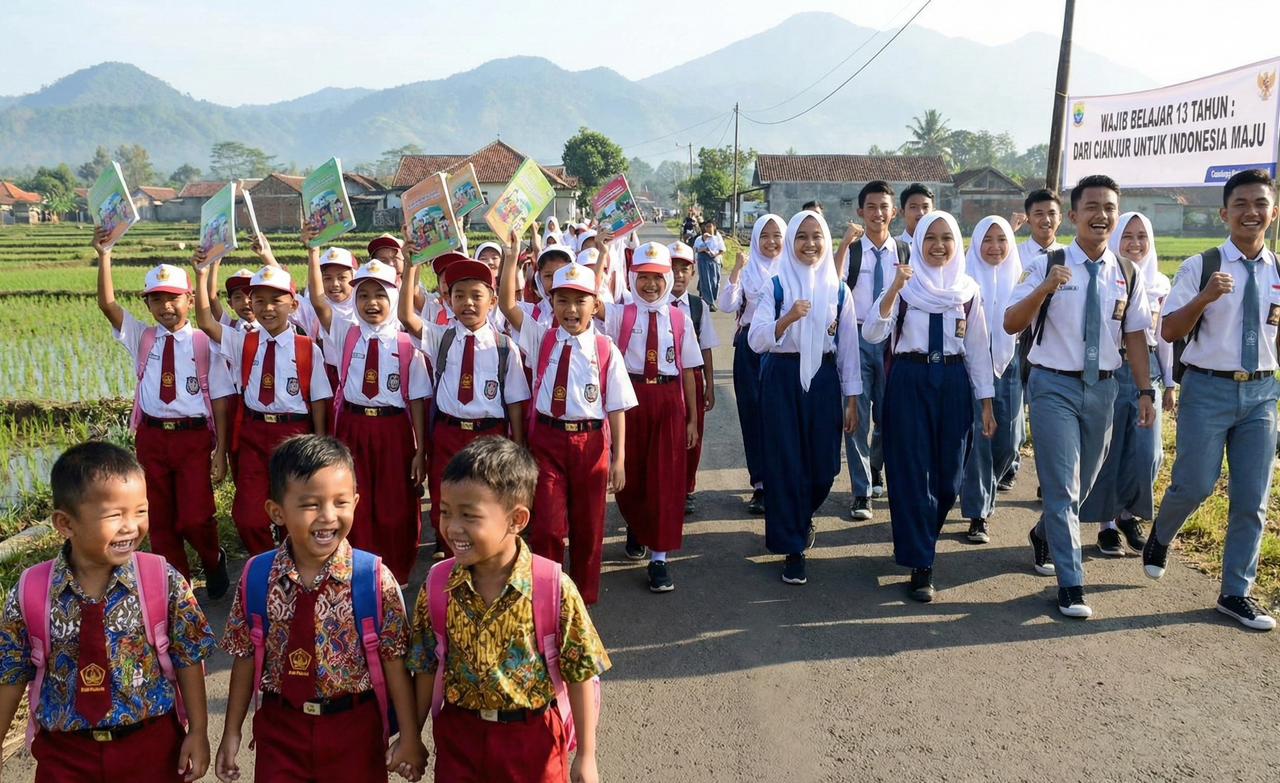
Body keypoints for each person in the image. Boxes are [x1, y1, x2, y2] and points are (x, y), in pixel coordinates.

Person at [0, 442, 216, 782]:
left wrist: (199, 731)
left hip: (151, 748)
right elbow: (10, 674)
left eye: (140, 511)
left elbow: (188, 655)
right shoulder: (31, 591)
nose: (131, 526)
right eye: (114, 515)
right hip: (66, 754)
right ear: (65, 523)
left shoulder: (162, 580)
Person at [216, 435, 425, 782]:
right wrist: (231, 732)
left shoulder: (373, 579)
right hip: (281, 728)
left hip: (354, 731)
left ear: (356, 502)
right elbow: (245, 656)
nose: (328, 517)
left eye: (341, 502)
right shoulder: (257, 577)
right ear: (276, 511)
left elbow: (395, 665)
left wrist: (411, 736)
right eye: (311, 505)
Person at [407, 437, 609, 783]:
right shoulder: (438, 584)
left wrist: (586, 756)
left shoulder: (552, 586)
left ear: (516, 519)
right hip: (459, 739)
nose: (453, 528)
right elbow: (426, 663)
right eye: (444, 512)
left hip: (533, 742)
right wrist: (412, 737)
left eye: (469, 516)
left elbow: (581, 672)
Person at [1003, 174, 1155, 619]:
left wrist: (1145, 390)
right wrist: (1045, 287)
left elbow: (1137, 336)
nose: (1101, 215)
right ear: (1073, 215)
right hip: (1053, 386)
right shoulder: (1048, 263)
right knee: (1064, 486)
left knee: (1083, 485)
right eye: (1091, 207)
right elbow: (1012, 322)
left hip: (1105, 387)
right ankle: (1071, 583)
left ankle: (1044, 532)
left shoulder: (1126, 272)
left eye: (1109, 207)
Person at [1144, 169, 1280, 632]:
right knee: (1195, 483)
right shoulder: (1201, 266)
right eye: (1240, 204)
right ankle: (1162, 534)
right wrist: (1205, 296)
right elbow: (1168, 330)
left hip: (1262, 393)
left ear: (1272, 212)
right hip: (1208, 388)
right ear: (1225, 213)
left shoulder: (1279, 270)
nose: (1250, 212)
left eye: (1259, 204)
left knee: (1252, 500)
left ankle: (1235, 592)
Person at [864, 211, 996, 601]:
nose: (939, 245)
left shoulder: (968, 291)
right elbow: (872, 331)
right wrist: (892, 290)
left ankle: (922, 539)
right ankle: (922, 561)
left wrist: (986, 402)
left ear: (957, 244)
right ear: (918, 242)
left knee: (949, 476)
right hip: (909, 379)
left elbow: (977, 348)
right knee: (910, 473)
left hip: (953, 382)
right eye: (930, 238)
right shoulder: (905, 286)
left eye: (947, 238)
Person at [95, 230, 232, 593]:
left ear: (189, 298)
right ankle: (179, 587)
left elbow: (220, 397)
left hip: (193, 438)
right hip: (152, 437)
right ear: (148, 305)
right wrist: (105, 254)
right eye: (156, 300)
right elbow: (108, 305)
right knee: (161, 521)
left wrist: (221, 449)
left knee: (195, 517)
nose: (165, 307)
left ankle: (213, 558)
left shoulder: (206, 342)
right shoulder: (143, 338)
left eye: (173, 299)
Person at [500, 259, 637, 605]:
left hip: (590, 444)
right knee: (547, 526)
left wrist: (619, 458)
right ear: (551, 302)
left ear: (595, 304)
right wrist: (511, 253)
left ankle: (581, 598)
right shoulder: (541, 338)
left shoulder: (606, 349)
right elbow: (506, 305)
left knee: (589, 526)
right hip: (547, 441)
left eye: (580, 301)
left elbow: (617, 407)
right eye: (562, 300)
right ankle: (547, 595)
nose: (571, 309)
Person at [748, 210, 861, 586]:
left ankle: (802, 515)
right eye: (802, 237)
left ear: (826, 241)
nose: (810, 244)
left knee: (824, 465)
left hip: (824, 379)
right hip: (782, 377)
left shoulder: (839, 290)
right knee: (785, 463)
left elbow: (848, 350)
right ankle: (793, 548)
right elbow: (756, 338)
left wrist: (852, 399)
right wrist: (787, 319)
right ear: (791, 242)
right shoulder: (777, 285)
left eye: (817, 236)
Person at [193, 262, 333, 555]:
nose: (267, 308)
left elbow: (319, 401)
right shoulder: (243, 342)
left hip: (295, 435)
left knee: (295, 510)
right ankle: (267, 562)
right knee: (248, 517)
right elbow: (206, 322)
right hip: (254, 433)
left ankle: (295, 562)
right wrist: (202, 273)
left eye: (275, 300)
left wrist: (321, 444)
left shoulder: (307, 348)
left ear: (293, 305)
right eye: (259, 300)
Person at [400, 248, 531, 560]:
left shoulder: (504, 347)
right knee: (447, 498)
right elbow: (406, 316)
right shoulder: (441, 337)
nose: (468, 303)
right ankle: (452, 558)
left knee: (487, 499)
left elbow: (514, 401)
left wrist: (520, 446)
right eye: (459, 296)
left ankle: (485, 555)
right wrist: (410, 264)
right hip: (448, 432)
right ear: (449, 301)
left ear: (493, 301)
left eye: (476, 295)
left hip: (490, 435)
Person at [310, 256, 432, 586]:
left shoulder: (407, 344)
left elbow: (418, 400)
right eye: (363, 295)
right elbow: (319, 302)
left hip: (393, 430)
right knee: (354, 499)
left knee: (396, 503)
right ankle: (359, 566)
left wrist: (420, 449)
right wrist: (312, 252)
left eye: (380, 295)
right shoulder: (346, 335)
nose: (371, 303)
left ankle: (397, 569)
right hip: (353, 425)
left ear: (393, 298)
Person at [597, 242, 702, 592]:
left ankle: (660, 558)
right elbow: (591, 300)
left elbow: (688, 370)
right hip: (630, 399)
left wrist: (691, 419)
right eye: (643, 277)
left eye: (658, 278)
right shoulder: (620, 314)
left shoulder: (679, 318)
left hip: (669, 401)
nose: (651, 285)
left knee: (665, 479)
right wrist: (602, 254)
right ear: (632, 277)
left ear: (669, 279)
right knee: (633, 475)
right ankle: (636, 524)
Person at [1080, 212, 1174, 556]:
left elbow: (1164, 339)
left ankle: (1127, 513)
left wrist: (1170, 382)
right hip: (1111, 366)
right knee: (1110, 450)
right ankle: (1106, 524)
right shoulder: (1109, 278)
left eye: (1142, 236)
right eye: (1128, 236)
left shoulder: (1162, 285)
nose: (1135, 244)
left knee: (1148, 453)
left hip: (1148, 371)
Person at [832, 181, 909, 521]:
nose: (879, 213)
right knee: (857, 417)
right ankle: (862, 492)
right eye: (872, 207)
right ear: (860, 211)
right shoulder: (853, 250)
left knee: (891, 416)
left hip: (894, 340)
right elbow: (832, 287)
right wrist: (843, 245)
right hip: (857, 337)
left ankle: (877, 466)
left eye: (885, 207)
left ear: (895, 212)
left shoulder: (905, 252)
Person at [958, 216, 1023, 545]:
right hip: (973, 365)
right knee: (981, 441)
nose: (995, 247)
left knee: (1008, 442)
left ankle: (982, 487)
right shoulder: (966, 281)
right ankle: (977, 512)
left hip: (1009, 365)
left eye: (1002, 240)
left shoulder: (1021, 278)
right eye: (988, 239)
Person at [719, 214, 785, 515]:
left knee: (780, 414)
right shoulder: (747, 271)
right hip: (749, 348)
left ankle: (782, 479)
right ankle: (759, 484)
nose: (771, 241)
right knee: (752, 412)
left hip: (782, 348)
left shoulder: (792, 271)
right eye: (764, 236)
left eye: (777, 235)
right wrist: (736, 270)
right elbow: (727, 305)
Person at [1005, 189, 1066, 492]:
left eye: (1051, 213)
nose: (1045, 220)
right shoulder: (1012, 252)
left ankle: (1048, 480)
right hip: (1018, 341)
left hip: (1053, 346)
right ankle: (1010, 464)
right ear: (1028, 218)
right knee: (1015, 414)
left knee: (1049, 419)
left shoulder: (1070, 257)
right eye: (1039, 214)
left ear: (1062, 218)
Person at [669, 240, 720, 513]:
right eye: (672, 268)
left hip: (693, 379)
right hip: (666, 381)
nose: (678, 274)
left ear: (693, 273)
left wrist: (710, 385)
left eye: (684, 269)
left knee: (693, 434)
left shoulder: (697, 306)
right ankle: (668, 484)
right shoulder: (654, 304)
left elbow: (706, 348)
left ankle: (687, 487)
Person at [694, 220, 726, 304]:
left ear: (714, 227)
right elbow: (695, 249)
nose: (708, 228)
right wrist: (704, 243)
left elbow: (722, 250)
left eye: (710, 226)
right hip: (703, 260)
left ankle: (711, 297)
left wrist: (715, 254)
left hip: (715, 261)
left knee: (714, 281)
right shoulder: (700, 238)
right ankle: (708, 301)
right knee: (706, 280)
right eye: (706, 227)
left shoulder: (717, 238)